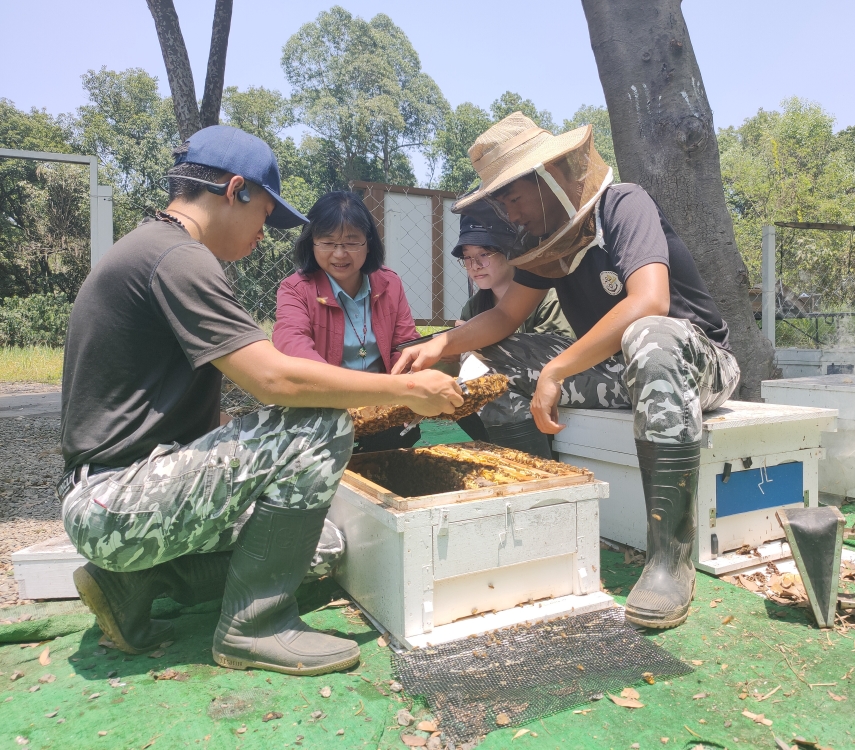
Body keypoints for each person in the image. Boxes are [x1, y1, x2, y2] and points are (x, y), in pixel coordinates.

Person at [60, 125, 462, 677]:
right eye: (265, 217)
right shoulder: (177, 257)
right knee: (319, 424)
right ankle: (255, 626)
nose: (264, 235)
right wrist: (406, 389)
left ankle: (137, 581)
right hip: (116, 505)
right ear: (235, 192)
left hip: (121, 498)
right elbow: (276, 380)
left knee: (323, 545)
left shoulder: (154, 248)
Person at [393, 112, 740, 631]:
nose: (508, 211)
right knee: (490, 363)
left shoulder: (624, 204)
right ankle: (540, 508)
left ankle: (671, 558)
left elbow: (651, 301)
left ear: (549, 177)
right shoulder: (549, 240)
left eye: (512, 196)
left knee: (652, 336)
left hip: (692, 362)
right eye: (500, 200)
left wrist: (557, 369)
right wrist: (436, 345)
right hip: (617, 370)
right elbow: (505, 317)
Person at [273, 191, 423, 453]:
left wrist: (408, 390)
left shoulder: (390, 283)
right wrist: (357, 397)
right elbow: (295, 353)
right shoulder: (295, 289)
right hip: (322, 414)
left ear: (369, 243)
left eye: (351, 242)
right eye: (328, 243)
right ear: (311, 243)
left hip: (384, 411)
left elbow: (405, 346)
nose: (340, 254)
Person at [452, 212, 575, 454]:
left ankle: (532, 461)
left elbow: (559, 353)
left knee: (481, 366)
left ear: (509, 252)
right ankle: (498, 450)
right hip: (508, 400)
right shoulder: (475, 307)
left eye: (483, 255)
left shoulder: (546, 295)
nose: (474, 266)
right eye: (467, 258)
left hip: (559, 382)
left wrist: (474, 345)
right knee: (454, 392)